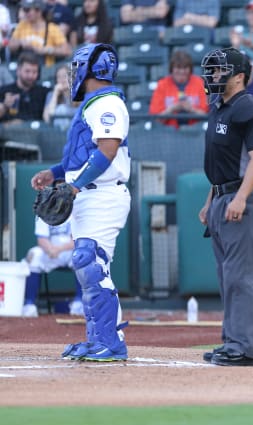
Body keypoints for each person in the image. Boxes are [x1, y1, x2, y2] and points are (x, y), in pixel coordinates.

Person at [30, 43, 132, 360]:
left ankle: (110, 343)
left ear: (90, 70)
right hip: (89, 193)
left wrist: (72, 186)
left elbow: (107, 152)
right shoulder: (93, 103)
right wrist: (55, 173)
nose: (74, 74)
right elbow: (83, 157)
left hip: (103, 194)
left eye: (77, 68)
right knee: (87, 266)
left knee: (91, 261)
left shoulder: (108, 103)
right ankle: (99, 338)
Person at [198, 47, 253, 367]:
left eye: (219, 71)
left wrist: (240, 197)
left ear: (238, 76)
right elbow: (221, 162)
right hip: (221, 197)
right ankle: (232, 340)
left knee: (242, 276)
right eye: (212, 71)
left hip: (243, 200)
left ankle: (244, 347)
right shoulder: (219, 107)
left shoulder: (248, 107)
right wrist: (210, 200)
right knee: (228, 276)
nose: (213, 76)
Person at [21, 217, 83, 318]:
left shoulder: (75, 208)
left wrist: (58, 249)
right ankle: (29, 304)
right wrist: (51, 249)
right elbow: (41, 239)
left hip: (70, 251)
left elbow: (77, 240)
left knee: (82, 255)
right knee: (34, 255)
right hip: (49, 252)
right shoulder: (44, 209)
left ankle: (79, 303)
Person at [148, 49, 209, 129]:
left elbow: (207, 116)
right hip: (168, 133)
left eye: (185, 68)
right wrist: (172, 109)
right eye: (178, 67)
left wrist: (191, 109)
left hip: (196, 131)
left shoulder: (199, 83)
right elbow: (155, 120)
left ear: (190, 69)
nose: (181, 71)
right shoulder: (162, 85)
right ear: (172, 69)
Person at [8, 0, 71, 67]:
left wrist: (45, 50)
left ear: (38, 11)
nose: (25, 13)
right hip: (24, 68)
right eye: (24, 9)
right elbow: (10, 47)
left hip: (45, 70)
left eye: (27, 10)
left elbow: (67, 51)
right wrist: (19, 42)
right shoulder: (22, 25)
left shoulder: (52, 28)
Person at [0, 51, 50, 125]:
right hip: (9, 135)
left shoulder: (43, 92)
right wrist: (5, 105)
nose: (30, 75)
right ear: (18, 71)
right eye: (27, 71)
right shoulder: (4, 90)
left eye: (34, 72)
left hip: (36, 134)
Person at [42, 63, 77, 130]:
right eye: (59, 77)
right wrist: (55, 94)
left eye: (65, 76)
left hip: (75, 131)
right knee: (61, 109)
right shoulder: (51, 95)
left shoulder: (79, 93)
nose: (62, 79)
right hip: (58, 133)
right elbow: (47, 118)